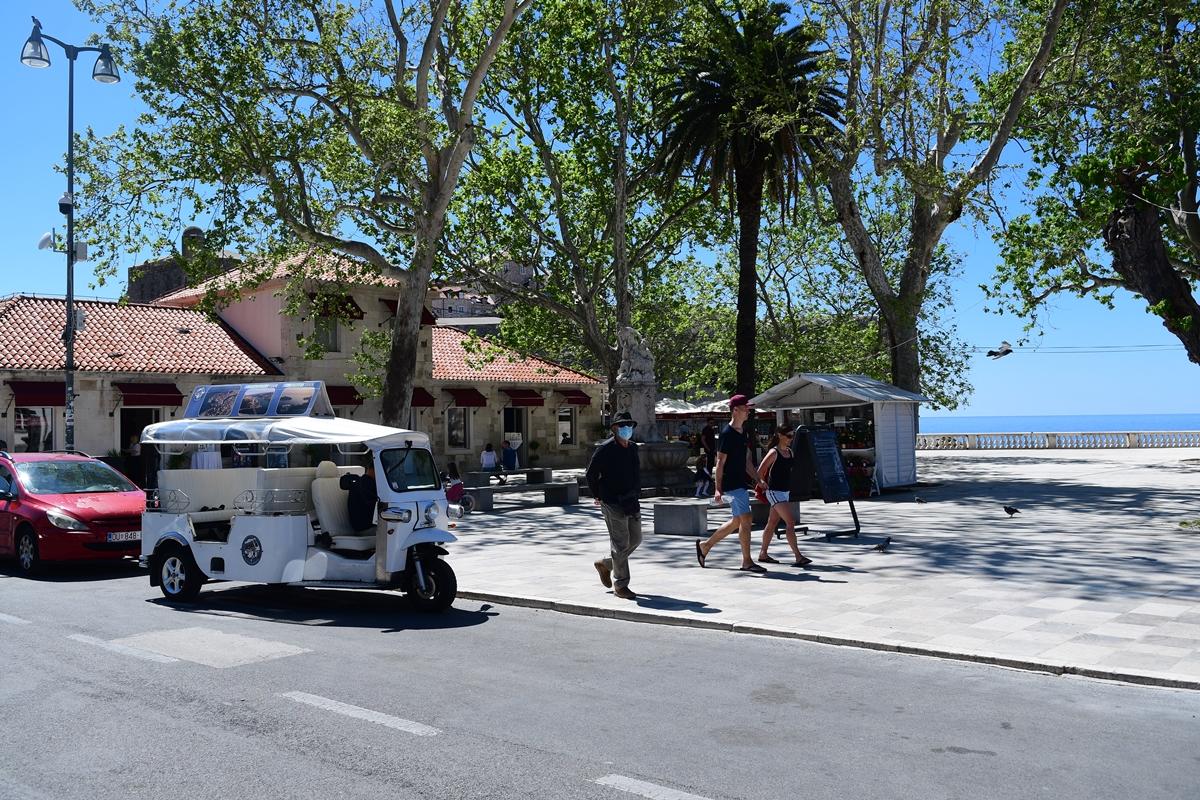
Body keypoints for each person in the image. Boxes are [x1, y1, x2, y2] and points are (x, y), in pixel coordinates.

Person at [695, 395, 765, 572]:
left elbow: (746, 461)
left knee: (736, 521)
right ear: (735, 410)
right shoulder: (727, 434)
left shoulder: (743, 433)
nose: (748, 411)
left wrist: (758, 479)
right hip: (732, 484)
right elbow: (720, 463)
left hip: (740, 482)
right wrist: (717, 489)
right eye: (745, 408)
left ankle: (705, 546)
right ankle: (747, 561)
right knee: (746, 519)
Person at [585, 411, 642, 600]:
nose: (627, 429)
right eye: (623, 426)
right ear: (615, 428)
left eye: (630, 426)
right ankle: (621, 585)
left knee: (636, 539)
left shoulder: (633, 448)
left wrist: (636, 492)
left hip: (631, 501)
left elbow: (636, 473)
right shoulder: (605, 449)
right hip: (612, 501)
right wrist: (598, 495)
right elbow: (590, 474)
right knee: (620, 544)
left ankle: (606, 564)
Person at [756, 426, 812, 567]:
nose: (790, 439)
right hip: (774, 492)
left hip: (785, 492)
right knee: (790, 522)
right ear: (780, 435)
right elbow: (760, 471)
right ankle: (798, 556)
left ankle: (763, 553)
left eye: (792, 436)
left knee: (772, 523)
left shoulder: (790, 452)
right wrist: (762, 482)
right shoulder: (774, 452)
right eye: (788, 435)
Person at [340, 461, 378, 533]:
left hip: (365, 525)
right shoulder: (366, 485)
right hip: (365, 527)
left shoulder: (361, 483)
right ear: (373, 469)